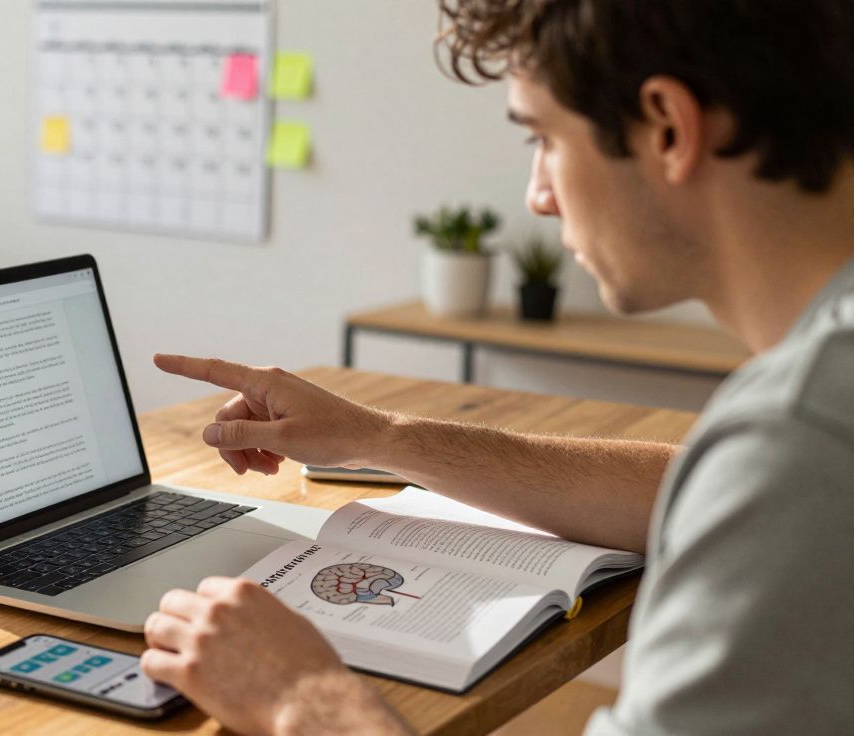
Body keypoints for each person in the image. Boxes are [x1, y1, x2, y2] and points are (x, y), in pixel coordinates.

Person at [137, 1, 854, 734]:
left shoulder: (798, 438)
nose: (538, 197)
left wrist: (301, 698)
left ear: (668, 128)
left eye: (544, 139)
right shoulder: (808, 416)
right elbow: (693, 490)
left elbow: (761, 479)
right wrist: (377, 438)